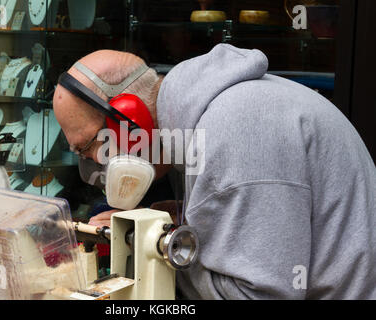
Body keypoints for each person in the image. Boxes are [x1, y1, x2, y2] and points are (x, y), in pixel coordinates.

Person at [53, 44, 376, 299]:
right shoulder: (209, 121)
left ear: (129, 117)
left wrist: (156, 250)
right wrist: (179, 225)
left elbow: (259, 294)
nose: (95, 164)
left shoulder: (238, 126)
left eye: (89, 147)